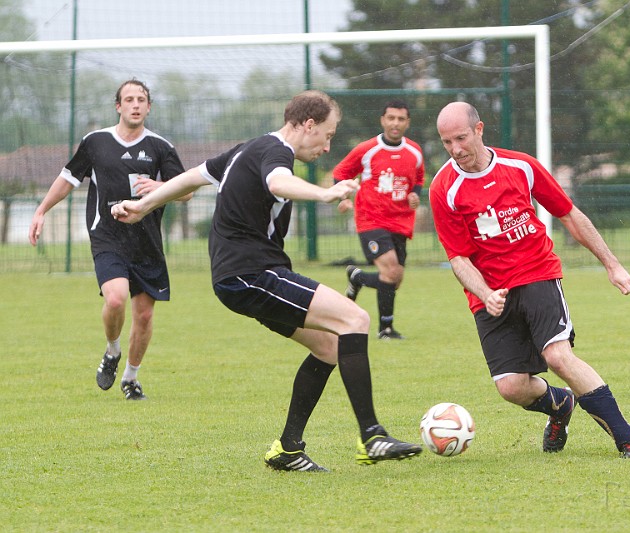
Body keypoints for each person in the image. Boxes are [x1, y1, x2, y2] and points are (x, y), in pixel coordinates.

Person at [111, 90, 422, 472]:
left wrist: (144, 205)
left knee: (328, 346)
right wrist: (325, 194)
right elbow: (277, 183)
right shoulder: (276, 153)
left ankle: (288, 449)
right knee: (355, 320)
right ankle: (372, 436)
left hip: (241, 277)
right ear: (307, 125)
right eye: (327, 135)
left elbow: (193, 177)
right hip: (252, 273)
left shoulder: (248, 148)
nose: (328, 146)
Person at [429, 102, 630, 458]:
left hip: (536, 273)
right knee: (511, 387)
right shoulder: (444, 188)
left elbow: (569, 215)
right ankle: (559, 405)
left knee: (559, 357)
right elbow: (458, 257)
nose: (456, 149)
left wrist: (612, 264)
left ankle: (629, 438)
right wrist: (485, 293)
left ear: (479, 129)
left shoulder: (521, 167)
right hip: (490, 293)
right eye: (446, 142)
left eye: (461, 138)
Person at [29, 79, 191, 401]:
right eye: (128, 99)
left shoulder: (160, 147)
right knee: (115, 300)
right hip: (108, 237)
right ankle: (112, 350)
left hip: (147, 242)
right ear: (118, 106)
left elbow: (185, 190)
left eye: (141, 99)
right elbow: (68, 179)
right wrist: (41, 210)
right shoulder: (96, 142)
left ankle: (131, 378)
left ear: (148, 107)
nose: (135, 104)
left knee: (144, 315)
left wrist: (159, 188)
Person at [333, 100, 425, 340]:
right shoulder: (367, 149)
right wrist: (341, 197)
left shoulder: (414, 151)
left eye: (400, 119)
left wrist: (416, 194)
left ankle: (357, 278)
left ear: (407, 122)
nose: (395, 123)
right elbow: (340, 172)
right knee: (391, 271)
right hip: (370, 220)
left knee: (394, 280)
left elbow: (419, 178)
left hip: (401, 223)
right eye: (391, 118)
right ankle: (385, 330)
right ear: (383, 120)